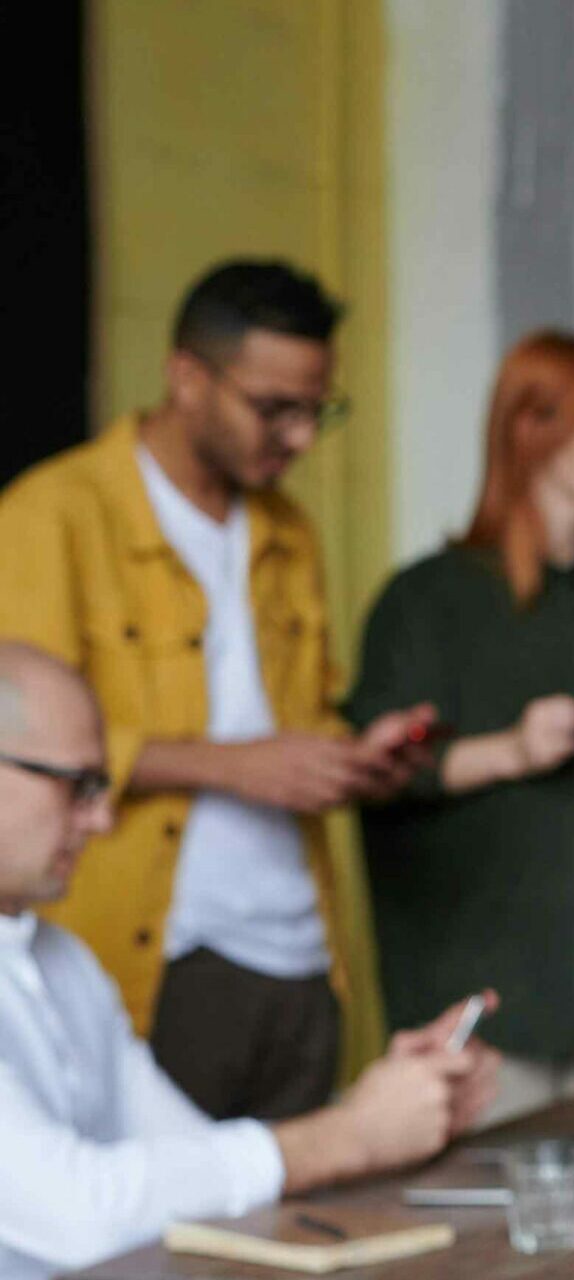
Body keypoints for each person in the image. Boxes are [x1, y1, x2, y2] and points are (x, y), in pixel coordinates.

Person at [0, 260, 437, 1122]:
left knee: (307, 1230)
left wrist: (352, 760)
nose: (302, 438)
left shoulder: (289, 531)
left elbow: (296, 715)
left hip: (304, 953)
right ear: (187, 379)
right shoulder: (52, 515)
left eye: (319, 410)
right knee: (164, 1241)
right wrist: (236, 768)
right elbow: (24, 748)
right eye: (276, 408)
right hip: (158, 956)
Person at [0, 642, 497, 1279]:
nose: (102, 819)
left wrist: (388, 1110)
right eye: (78, 787)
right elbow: (79, 1213)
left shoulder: (63, 961)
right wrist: (350, 1135)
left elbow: (187, 1153)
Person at [345, 332, 574, 1126]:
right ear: (530, 428)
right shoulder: (427, 599)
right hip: (499, 1017)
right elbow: (373, 771)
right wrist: (512, 749)